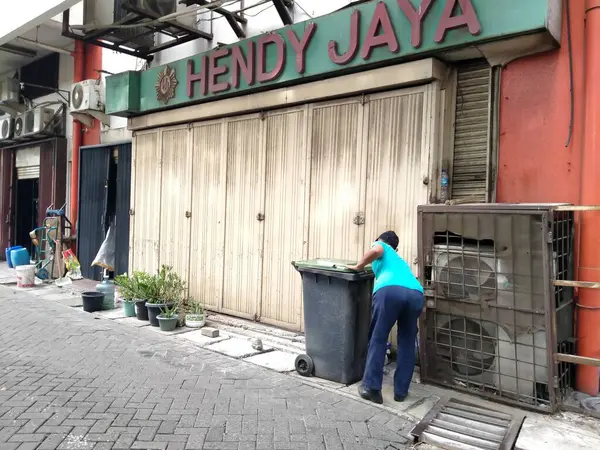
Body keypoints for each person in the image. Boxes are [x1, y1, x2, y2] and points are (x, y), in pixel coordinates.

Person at [347, 231, 424, 404]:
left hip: (390, 291)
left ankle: (371, 388)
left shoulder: (383, 246)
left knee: (378, 337)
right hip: (416, 294)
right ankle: (401, 392)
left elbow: (376, 251)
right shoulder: (399, 261)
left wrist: (359, 265)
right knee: (407, 341)